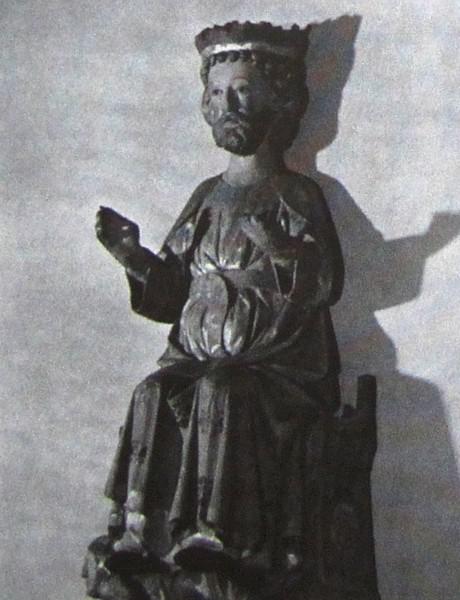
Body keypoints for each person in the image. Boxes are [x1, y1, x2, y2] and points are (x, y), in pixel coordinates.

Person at [95, 21, 344, 576]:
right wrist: (133, 256)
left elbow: (325, 283)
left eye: (242, 91)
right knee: (153, 392)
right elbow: (170, 296)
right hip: (195, 356)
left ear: (278, 98)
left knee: (222, 389)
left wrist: (278, 248)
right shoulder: (206, 196)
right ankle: (140, 530)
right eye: (216, 93)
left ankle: (219, 533)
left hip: (278, 370)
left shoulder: (296, 193)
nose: (226, 105)